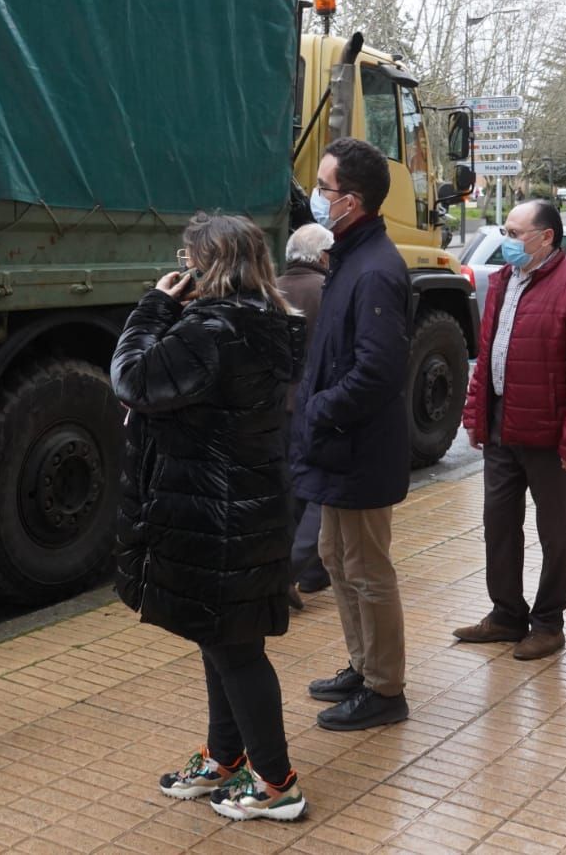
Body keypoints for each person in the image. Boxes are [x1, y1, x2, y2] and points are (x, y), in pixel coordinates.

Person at [112, 213, 307, 823]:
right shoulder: (262, 320)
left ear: (210, 264)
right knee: (219, 637)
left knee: (237, 649)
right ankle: (225, 756)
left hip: (216, 512)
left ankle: (276, 782)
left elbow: (134, 379)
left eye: (188, 256)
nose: (182, 264)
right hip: (236, 505)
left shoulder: (213, 328)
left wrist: (151, 309)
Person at [453, 201, 566, 651]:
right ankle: (506, 614)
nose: (506, 239)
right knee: (498, 526)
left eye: (514, 231)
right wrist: (474, 414)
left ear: (545, 237)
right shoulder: (505, 281)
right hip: (502, 428)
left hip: (552, 436)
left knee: (555, 534)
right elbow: (487, 357)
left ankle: (548, 624)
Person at [292, 138, 411, 732]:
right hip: (341, 445)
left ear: (352, 201)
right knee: (335, 557)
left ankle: (385, 688)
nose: (316, 197)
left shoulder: (376, 270)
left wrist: (318, 410)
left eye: (324, 188)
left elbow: (378, 371)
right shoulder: (349, 258)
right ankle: (362, 668)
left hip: (360, 448)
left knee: (367, 567)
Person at [277, 223, 334, 600]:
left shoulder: (270, 290)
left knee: (290, 490)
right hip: (315, 406)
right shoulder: (329, 291)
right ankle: (289, 572)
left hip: (275, 406)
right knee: (322, 492)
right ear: (322, 256)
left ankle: (315, 573)